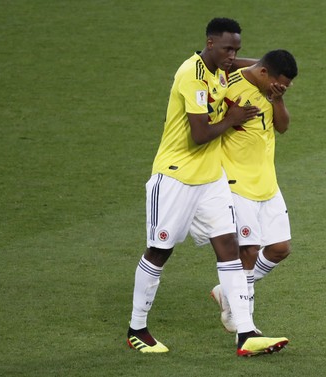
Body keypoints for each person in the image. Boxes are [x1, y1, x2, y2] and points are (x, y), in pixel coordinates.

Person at [126, 18, 289, 357]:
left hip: (211, 178)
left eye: (237, 50)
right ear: (210, 42)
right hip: (175, 177)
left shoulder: (219, 71)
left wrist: (260, 68)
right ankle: (136, 327)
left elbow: (250, 66)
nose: (233, 56)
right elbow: (199, 135)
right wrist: (232, 119)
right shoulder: (192, 75)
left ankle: (245, 333)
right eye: (227, 48)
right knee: (160, 251)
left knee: (230, 247)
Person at [210, 50, 298, 333]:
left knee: (280, 248)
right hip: (236, 182)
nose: (279, 88)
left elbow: (282, 128)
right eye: (279, 84)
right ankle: (243, 320)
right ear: (264, 73)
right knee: (248, 251)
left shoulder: (271, 91)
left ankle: (228, 291)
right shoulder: (229, 86)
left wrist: (278, 98)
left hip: (267, 182)